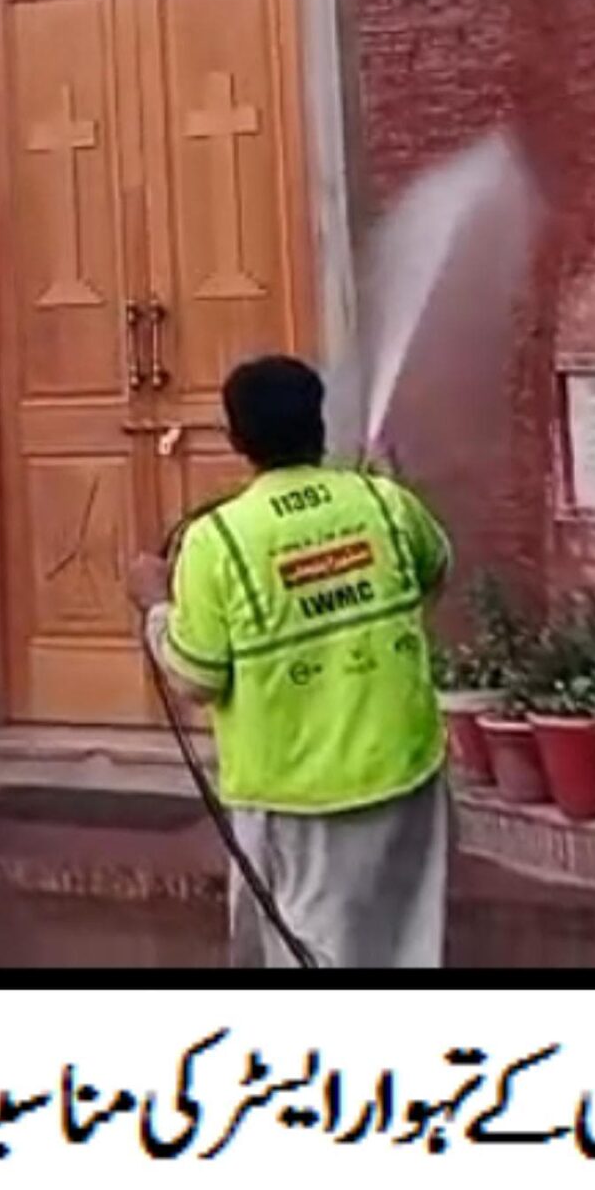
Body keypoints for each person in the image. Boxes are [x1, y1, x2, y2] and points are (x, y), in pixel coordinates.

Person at [126, 354, 454, 969]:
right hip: (406, 773)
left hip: (294, 795)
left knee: (306, 955)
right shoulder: (385, 502)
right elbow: (433, 573)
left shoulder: (217, 541)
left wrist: (155, 605)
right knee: (408, 946)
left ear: (235, 439)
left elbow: (196, 676)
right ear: (320, 425)